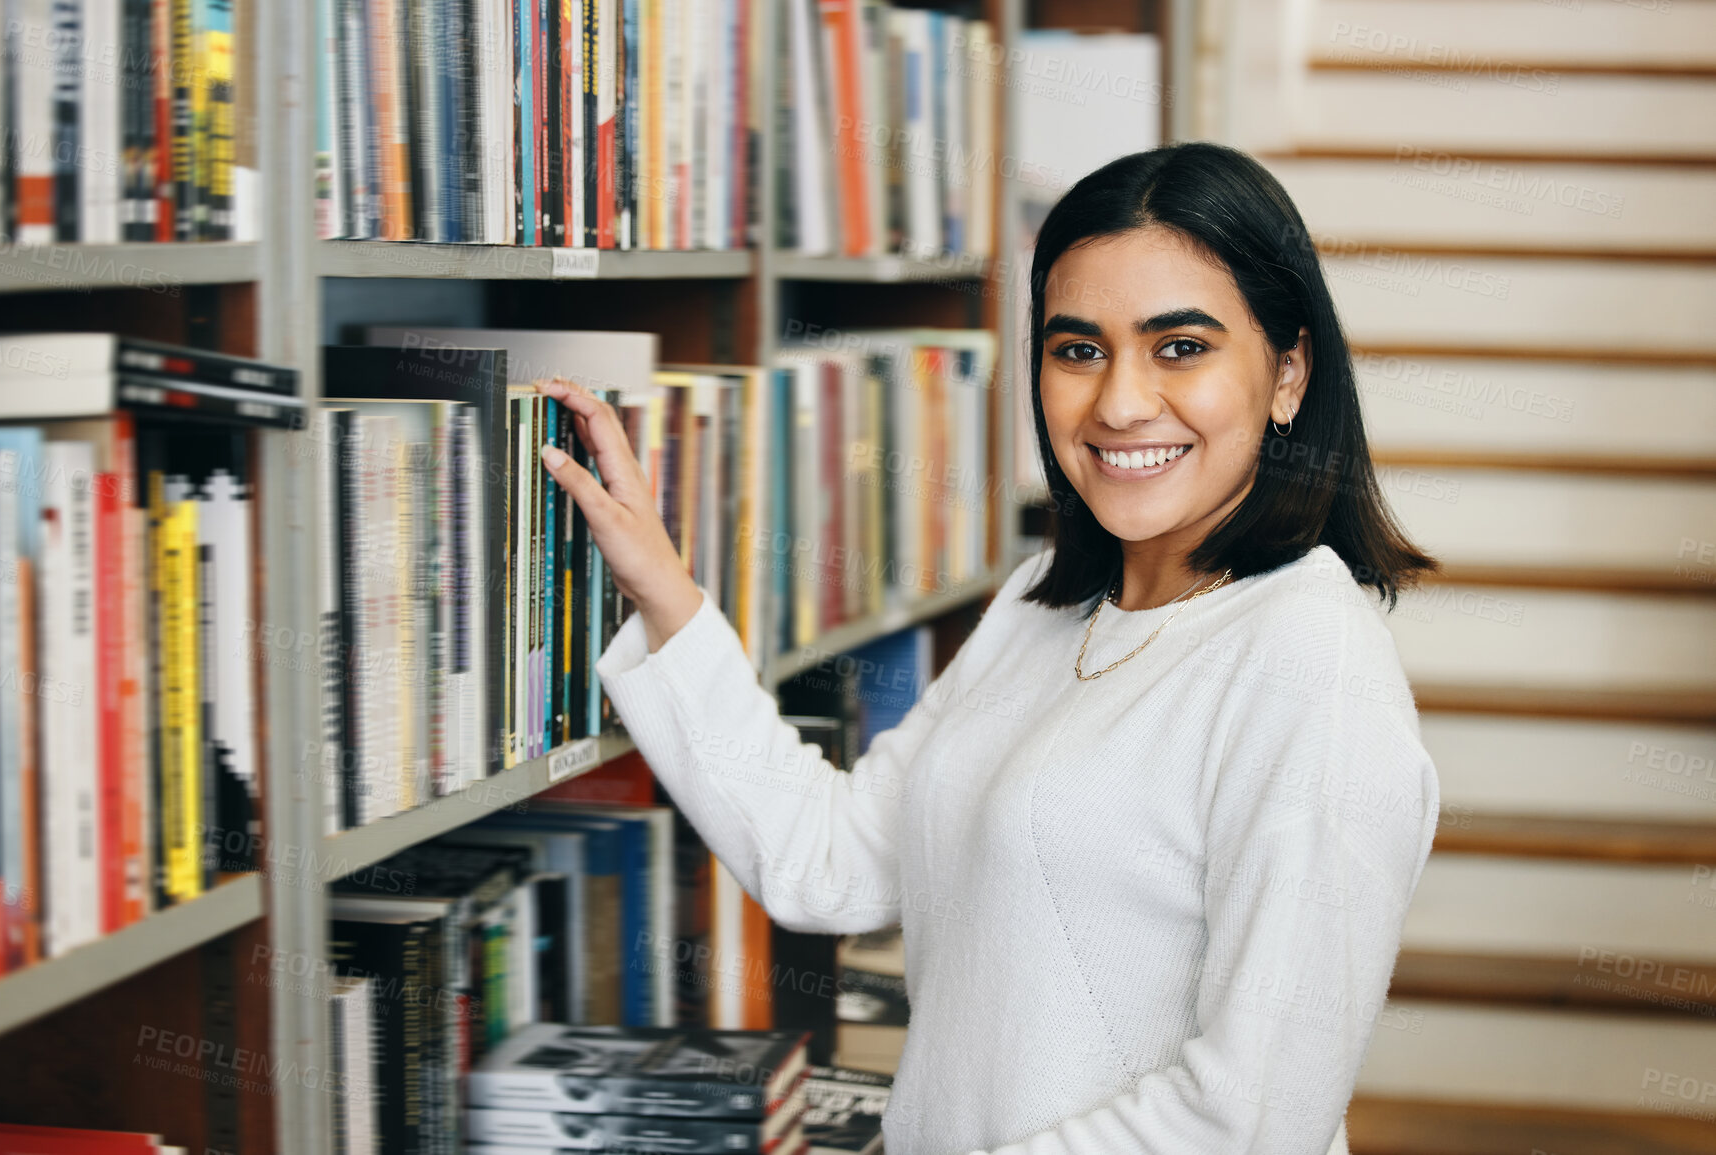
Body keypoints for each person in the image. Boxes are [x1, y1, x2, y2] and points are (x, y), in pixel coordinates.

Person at [537, 141, 1442, 1155]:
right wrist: (665, 590)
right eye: (1077, 349)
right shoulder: (1042, 606)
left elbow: (1255, 1119)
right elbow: (829, 863)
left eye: (1180, 346)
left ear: (1287, 373)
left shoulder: (1311, 662)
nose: (1120, 403)